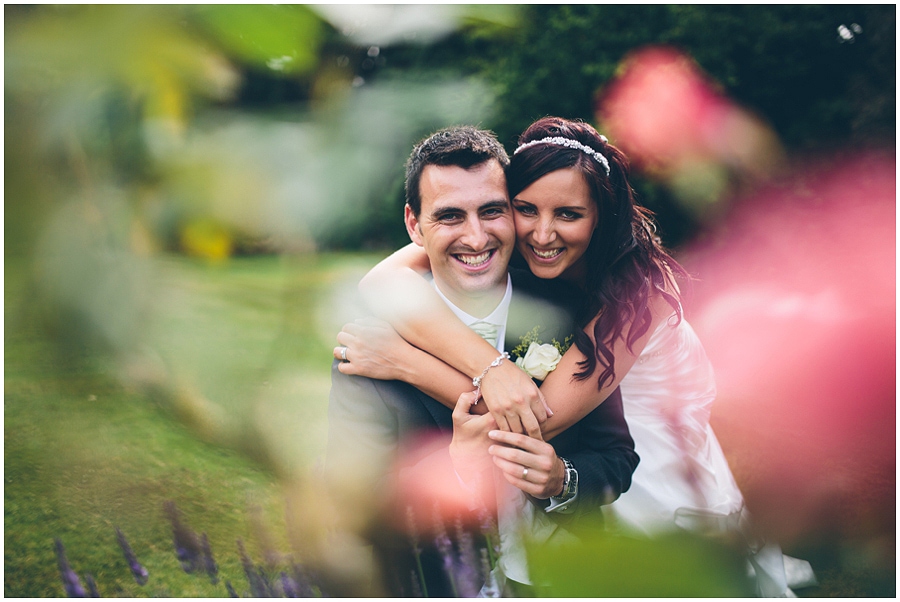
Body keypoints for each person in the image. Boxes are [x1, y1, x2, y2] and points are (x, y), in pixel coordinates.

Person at [344, 117, 815, 596]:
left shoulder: (639, 297)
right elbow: (379, 284)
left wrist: (408, 364)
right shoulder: (501, 245)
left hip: (650, 478)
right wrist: (495, 368)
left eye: (568, 214)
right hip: (569, 480)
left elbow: (537, 419)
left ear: (601, 216)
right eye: (526, 209)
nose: (543, 234)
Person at [325, 125, 638, 597]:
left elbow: (616, 459)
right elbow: (352, 502)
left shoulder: (570, 311)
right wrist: (452, 471)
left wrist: (563, 481)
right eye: (450, 216)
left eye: (491, 211)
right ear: (414, 225)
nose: (476, 237)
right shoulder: (370, 346)